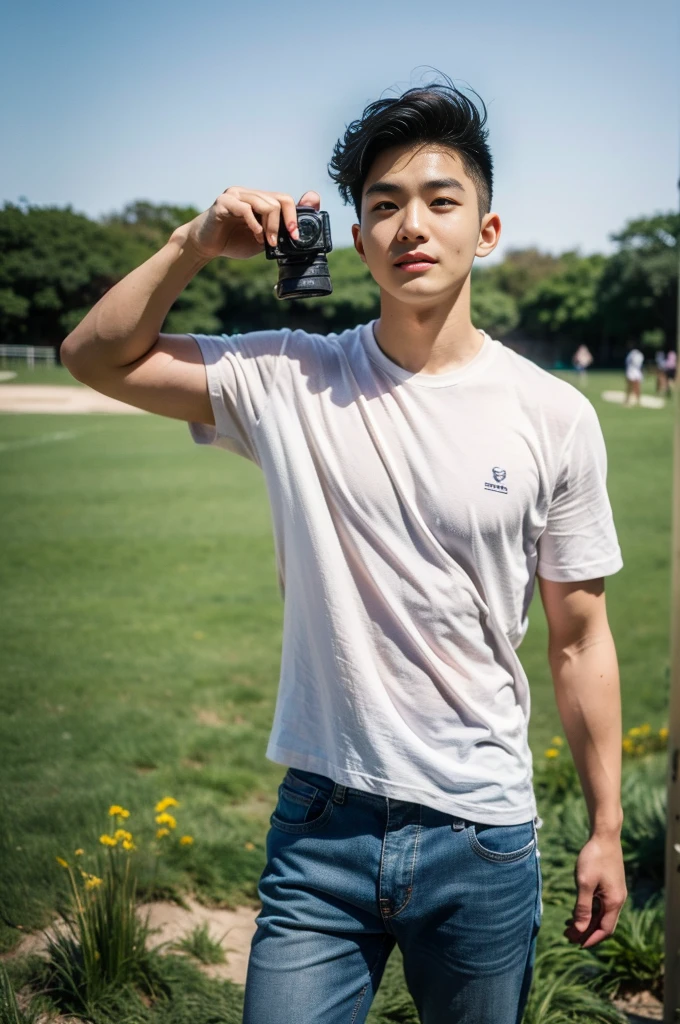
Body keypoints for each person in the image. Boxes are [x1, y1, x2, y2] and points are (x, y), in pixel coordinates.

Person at [60, 75, 627, 1024]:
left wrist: (607, 828)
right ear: (358, 240)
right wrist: (194, 242)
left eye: (441, 202)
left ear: (485, 232)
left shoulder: (555, 416)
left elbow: (580, 639)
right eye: (385, 206)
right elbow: (96, 356)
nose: (412, 225)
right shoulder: (289, 376)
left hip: (482, 832)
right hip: (323, 825)